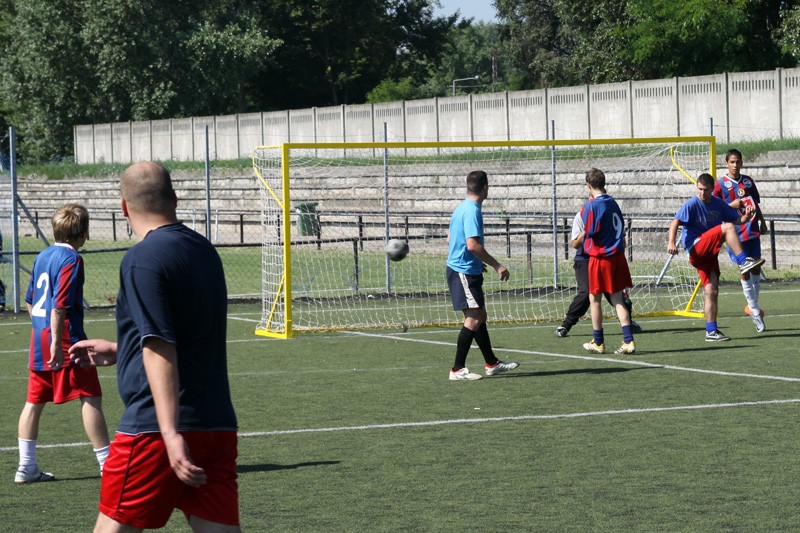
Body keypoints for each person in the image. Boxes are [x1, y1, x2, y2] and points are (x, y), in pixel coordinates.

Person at [68, 162, 240, 531]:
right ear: (174, 198)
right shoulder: (204, 250)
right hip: (216, 425)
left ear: (124, 207)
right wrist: (122, 350)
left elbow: (160, 344)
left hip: (154, 430)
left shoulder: (142, 258)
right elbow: (186, 334)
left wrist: (170, 432)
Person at [16, 204, 110, 484]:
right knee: (89, 395)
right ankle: (108, 466)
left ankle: (26, 467)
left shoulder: (43, 255)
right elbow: (60, 306)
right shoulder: (72, 260)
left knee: (34, 401)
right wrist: (57, 341)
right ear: (82, 233)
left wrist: (43, 333)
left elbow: (30, 302)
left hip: (40, 335)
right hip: (66, 337)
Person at [668, 173, 765, 342]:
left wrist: (747, 217)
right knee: (726, 227)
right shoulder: (692, 203)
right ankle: (743, 261)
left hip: (709, 253)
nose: (702, 193)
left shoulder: (718, 203)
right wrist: (671, 242)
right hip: (696, 248)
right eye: (699, 189)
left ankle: (711, 331)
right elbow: (675, 221)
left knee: (712, 291)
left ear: (712, 189)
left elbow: (737, 220)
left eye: (705, 190)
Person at [445, 170, 519, 380]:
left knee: (480, 315)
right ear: (486, 188)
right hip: (463, 272)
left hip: (466, 269)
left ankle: (492, 363)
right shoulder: (472, 211)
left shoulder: (461, 207)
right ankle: (457, 369)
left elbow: (450, 238)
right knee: (473, 318)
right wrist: (497, 265)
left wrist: (476, 262)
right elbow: (472, 245)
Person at [555, 208, 642, 338]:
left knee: (619, 294)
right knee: (587, 292)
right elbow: (575, 243)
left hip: (606, 259)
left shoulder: (612, 213)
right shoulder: (582, 215)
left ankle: (627, 323)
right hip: (585, 260)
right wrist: (588, 230)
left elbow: (621, 240)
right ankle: (566, 325)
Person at [579, 168, 637, 355]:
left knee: (594, 299)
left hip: (601, 257)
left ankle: (598, 341)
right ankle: (628, 341)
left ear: (589, 185)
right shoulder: (613, 202)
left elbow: (590, 231)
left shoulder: (591, 206)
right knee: (617, 298)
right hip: (617, 256)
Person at [713, 149, 768, 332]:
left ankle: (752, 306)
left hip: (752, 229)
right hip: (735, 233)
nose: (735, 165)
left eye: (738, 162)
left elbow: (755, 204)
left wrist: (762, 222)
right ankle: (754, 309)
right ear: (726, 164)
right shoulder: (720, 184)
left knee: (756, 267)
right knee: (744, 268)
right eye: (732, 162)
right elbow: (715, 209)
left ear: (742, 163)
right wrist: (730, 205)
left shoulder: (748, 181)